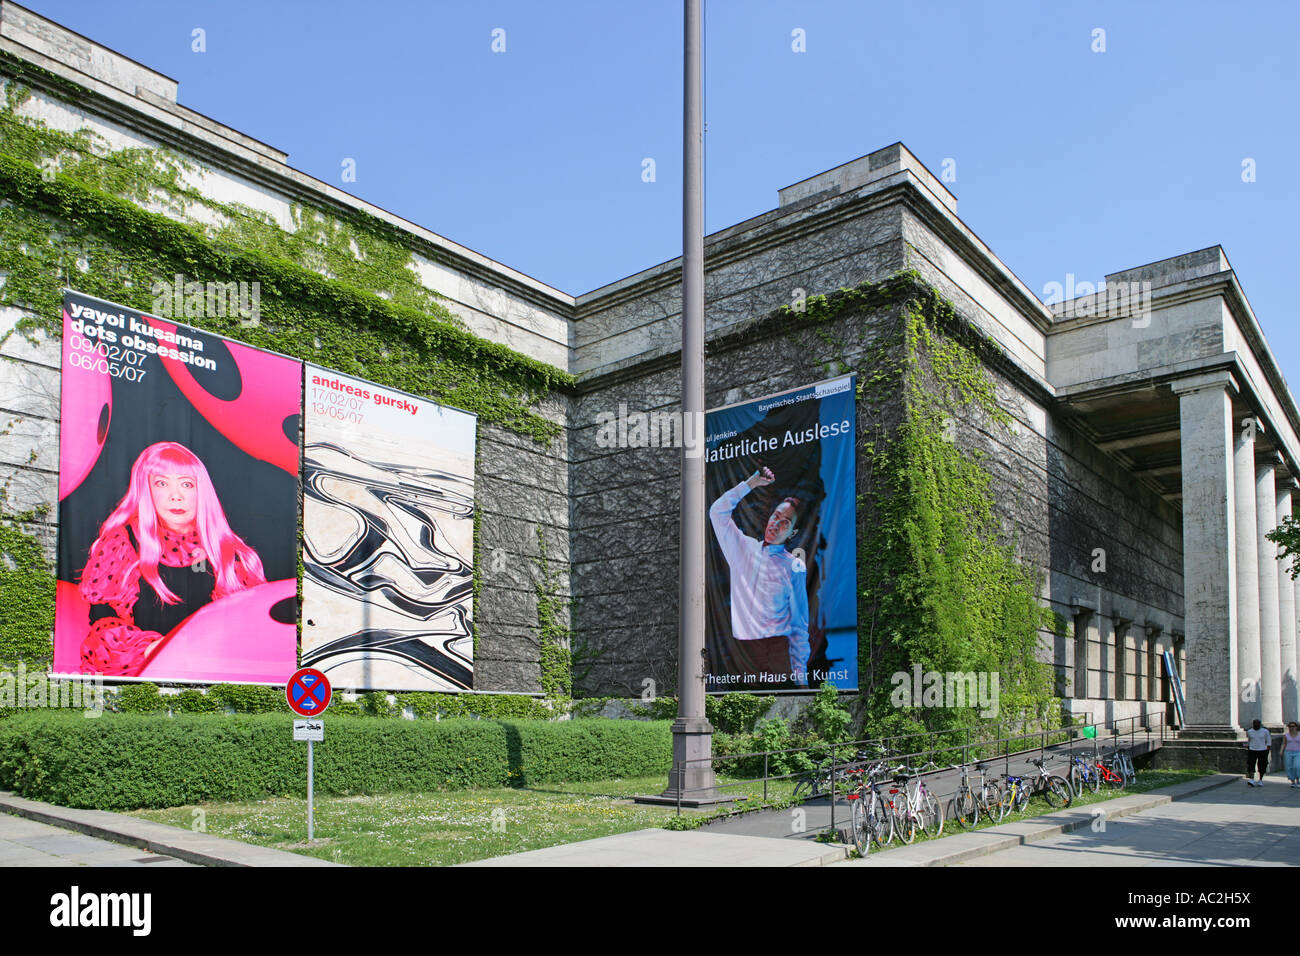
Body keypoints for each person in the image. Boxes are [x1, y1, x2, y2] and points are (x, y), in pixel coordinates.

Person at [77, 441, 265, 676]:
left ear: (201, 492)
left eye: (187, 484)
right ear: (147, 490)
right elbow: (102, 626)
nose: (176, 496)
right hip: (143, 680)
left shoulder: (229, 553)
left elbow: (252, 631)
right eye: (162, 483)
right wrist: (153, 649)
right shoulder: (123, 542)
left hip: (212, 680)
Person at [709, 466, 809, 687]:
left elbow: (799, 623)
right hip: (740, 653)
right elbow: (717, 512)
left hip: (778, 653)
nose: (776, 524)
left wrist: (802, 677)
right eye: (776, 516)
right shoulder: (743, 548)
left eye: (785, 522)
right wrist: (750, 484)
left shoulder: (794, 566)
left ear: (792, 533)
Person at [1244, 718, 1272, 786]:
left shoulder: (1265, 731)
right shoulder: (1250, 731)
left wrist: (1267, 750)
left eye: (1258, 723)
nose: (1256, 725)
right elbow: (1249, 740)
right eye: (1255, 723)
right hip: (1252, 750)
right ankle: (1252, 779)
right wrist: (1248, 746)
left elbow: (1268, 741)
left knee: (1262, 765)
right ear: (1253, 724)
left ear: (1260, 724)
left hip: (1263, 750)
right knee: (1251, 764)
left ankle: (1260, 780)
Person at [1284, 721, 1300, 789]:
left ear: (1296, 727)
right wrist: (1281, 751)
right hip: (1288, 752)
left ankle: (1298, 780)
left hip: (1298, 752)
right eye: (1290, 726)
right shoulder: (1286, 735)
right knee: (1289, 767)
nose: (1292, 728)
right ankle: (1292, 781)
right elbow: (1284, 744)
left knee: (1296, 766)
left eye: (1293, 726)